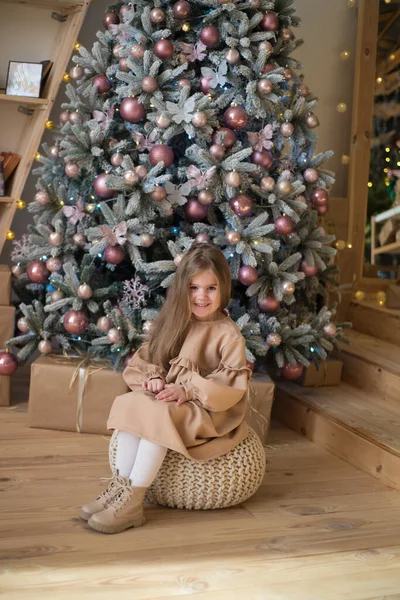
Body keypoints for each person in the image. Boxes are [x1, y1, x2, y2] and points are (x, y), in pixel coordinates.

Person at [79, 243, 251, 534]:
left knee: (159, 416)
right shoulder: (177, 322)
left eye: (211, 288)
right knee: (132, 403)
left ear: (224, 288)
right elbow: (150, 358)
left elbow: (229, 388)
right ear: (183, 287)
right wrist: (154, 378)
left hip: (208, 410)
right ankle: (120, 487)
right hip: (171, 396)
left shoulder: (228, 335)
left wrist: (190, 390)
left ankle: (132, 503)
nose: (201, 296)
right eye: (194, 287)